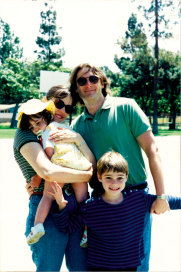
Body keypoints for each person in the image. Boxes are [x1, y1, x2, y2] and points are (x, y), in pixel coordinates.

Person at [66, 63, 170, 271]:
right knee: (104, 263)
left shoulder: (126, 107)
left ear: (102, 82)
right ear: (76, 88)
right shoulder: (77, 126)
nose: (88, 84)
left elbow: (152, 150)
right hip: (100, 203)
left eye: (93, 79)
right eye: (82, 81)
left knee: (137, 264)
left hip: (134, 199)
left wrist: (161, 196)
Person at [50, 151, 181, 271]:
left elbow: (169, 201)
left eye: (119, 177)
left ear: (126, 177)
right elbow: (66, 227)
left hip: (130, 266)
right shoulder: (90, 207)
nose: (114, 183)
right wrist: (61, 205)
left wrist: (162, 197)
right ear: (99, 177)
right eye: (108, 177)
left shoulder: (138, 199)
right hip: (100, 267)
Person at [13, 85, 95, 272]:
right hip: (47, 206)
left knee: (81, 267)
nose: (63, 111)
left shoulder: (67, 131)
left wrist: (77, 139)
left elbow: (92, 163)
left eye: (69, 108)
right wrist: (85, 176)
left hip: (74, 204)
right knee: (49, 268)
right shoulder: (27, 131)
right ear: (47, 102)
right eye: (59, 104)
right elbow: (47, 171)